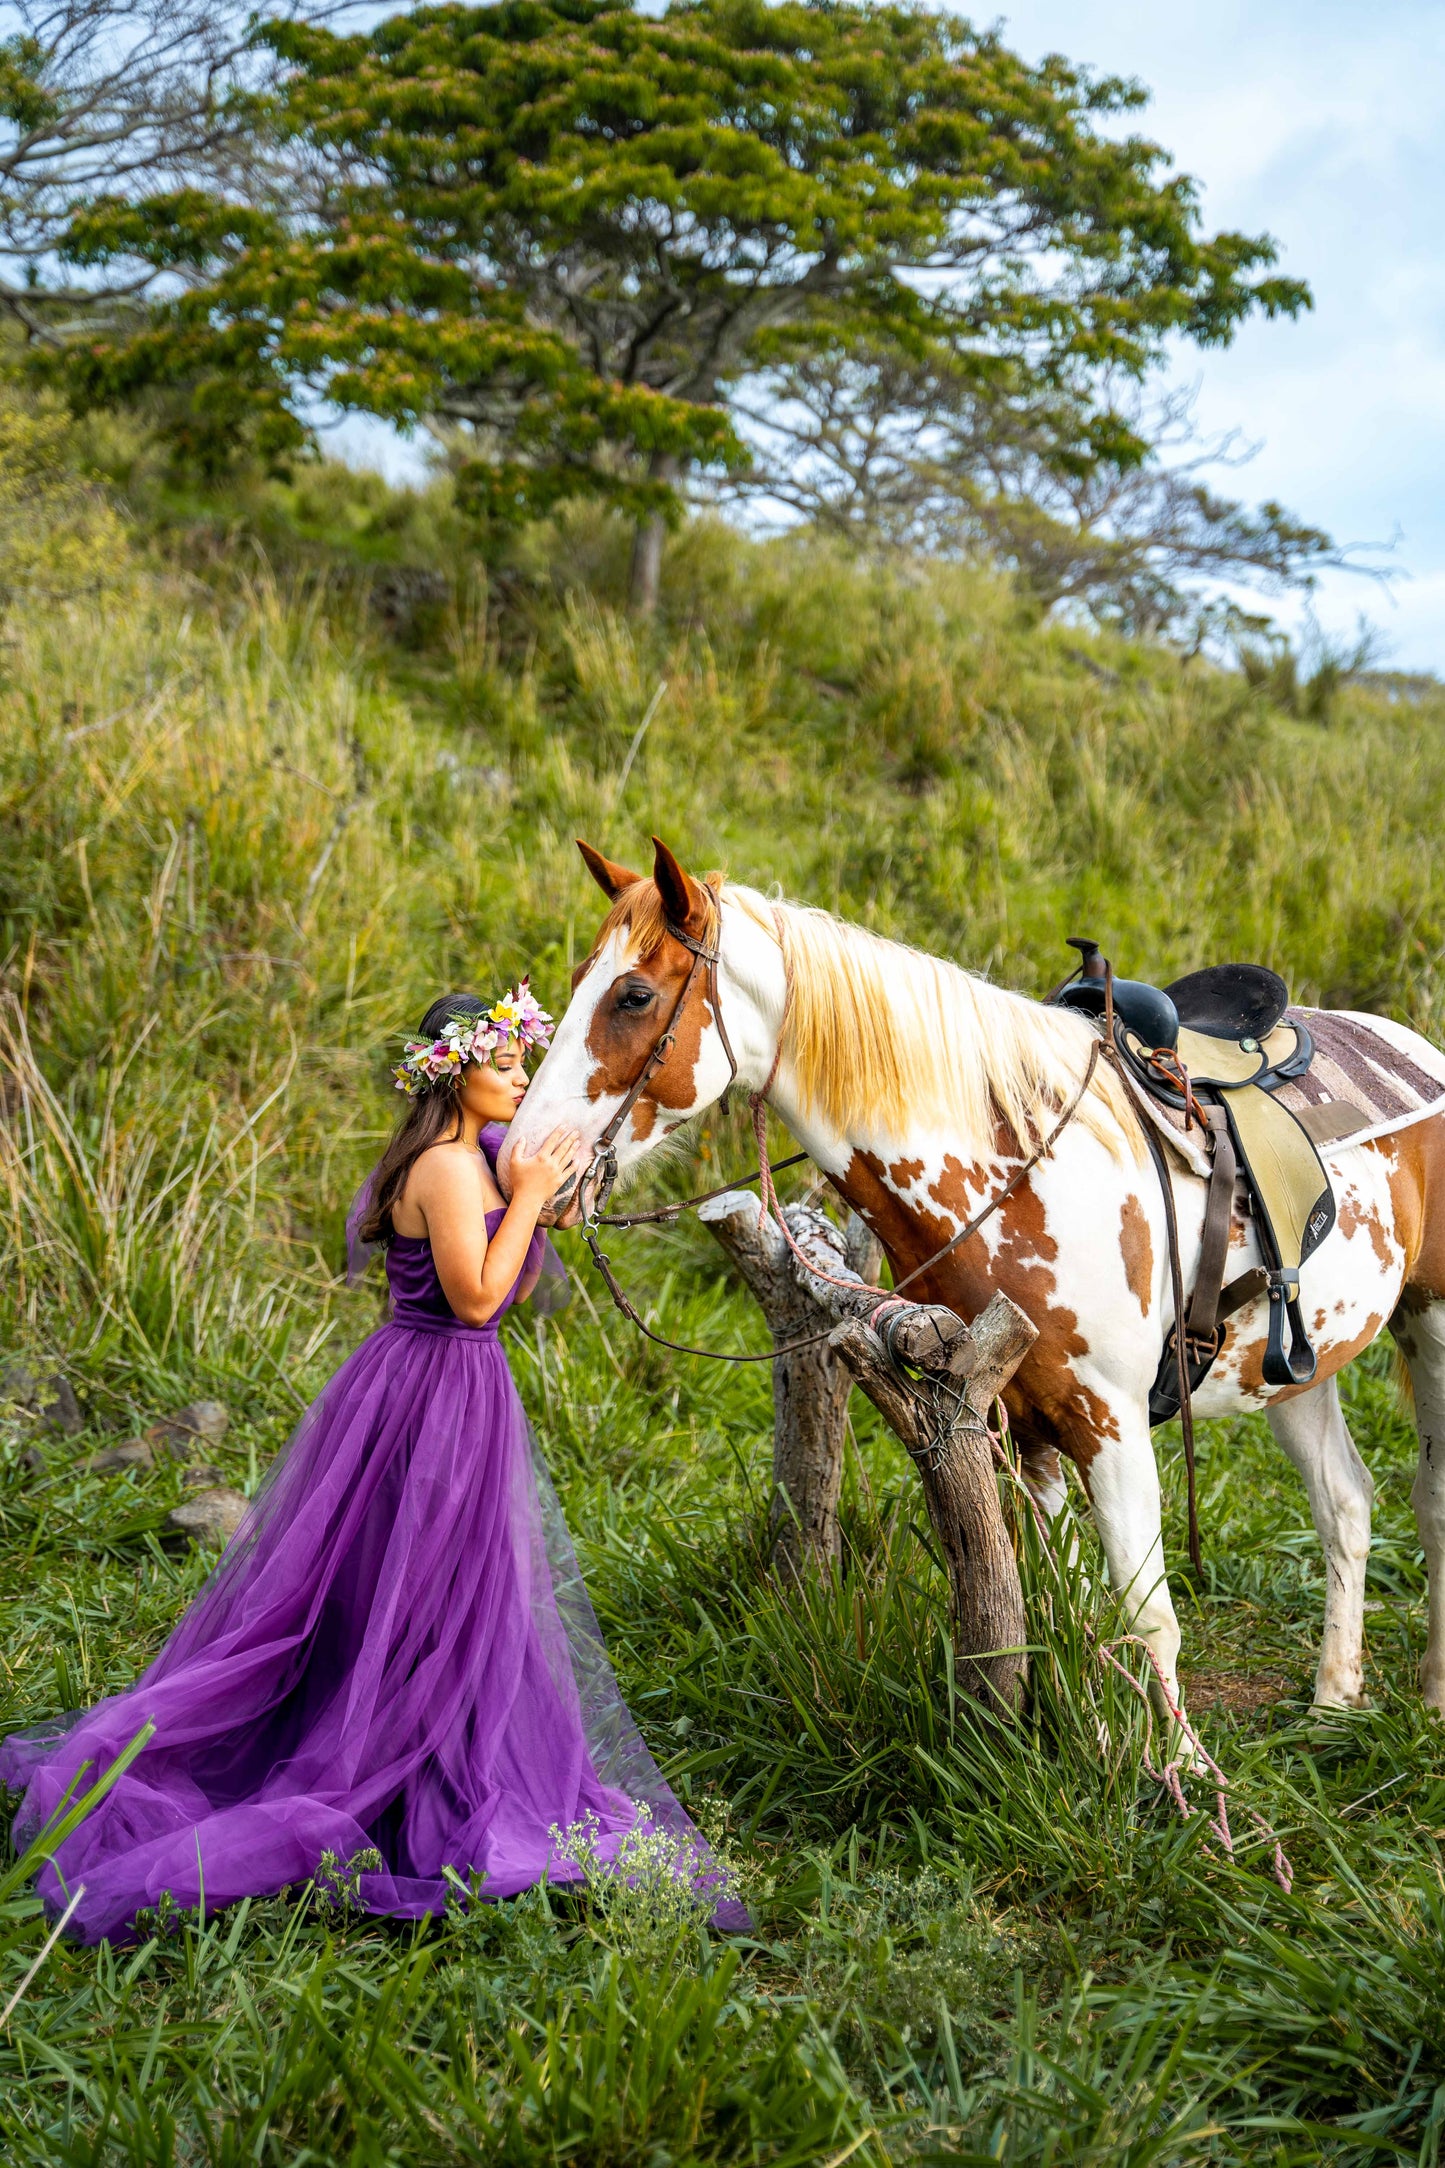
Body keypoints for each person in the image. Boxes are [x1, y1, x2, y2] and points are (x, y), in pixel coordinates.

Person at [0, 984, 744, 1942]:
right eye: (505, 1063)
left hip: (464, 1394)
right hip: (427, 1390)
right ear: (454, 1074)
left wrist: (540, 1191)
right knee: (406, 1579)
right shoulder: (441, 1168)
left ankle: (442, 1751)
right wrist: (521, 1198)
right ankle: (377, 1757)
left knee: (459, 1586)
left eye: (523, 1062)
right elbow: (476, 1300)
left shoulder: (477, 1157)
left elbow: (522, 1246)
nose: (522, 1078)